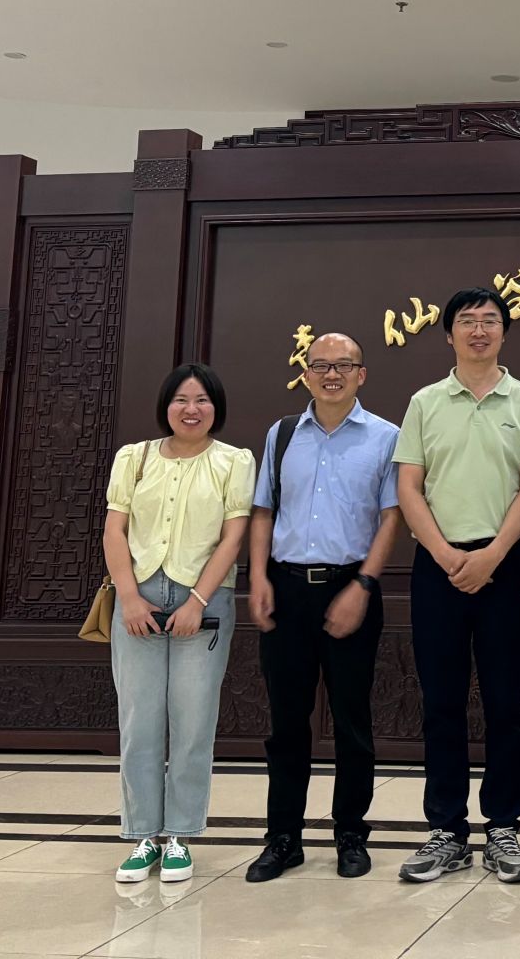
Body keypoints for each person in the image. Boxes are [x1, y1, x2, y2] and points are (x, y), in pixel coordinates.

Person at [394, 286, 520, 885]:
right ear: (449, 334)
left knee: (507, 703)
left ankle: (504, 827)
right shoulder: (425, 402)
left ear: (504, 332)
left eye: (489, 320)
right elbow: (409, 487)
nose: (479, 330)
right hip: (438, 567)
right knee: (442, 702)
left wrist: (492, 555)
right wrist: (444, 553)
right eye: (467, 321)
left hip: (506, 568)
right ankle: (446, 831)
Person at [242, 332, 403, 882]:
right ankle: (283, 838)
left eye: (343, 365)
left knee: (352, 721)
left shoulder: (385, 437)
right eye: (320, 365)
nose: (331, 374)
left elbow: (391, 518)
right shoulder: (283, 433)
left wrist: (363, 585)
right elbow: (263, 511)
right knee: (286, 723)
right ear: (306, 373)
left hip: (350, 586)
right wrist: (258, 578)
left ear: (362, 374)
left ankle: (351, 834)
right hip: (286, 590)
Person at [102, 363, 253, 884]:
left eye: (203, 400)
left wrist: (197, 601)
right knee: (139, 720)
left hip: (204, 601)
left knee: (192, 722)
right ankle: (143, 834)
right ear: (166, 406)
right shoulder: (135, 457)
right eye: (182, 400)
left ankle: (180, 836)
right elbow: (115, 530)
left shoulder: (234, 461)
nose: (192, 409)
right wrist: (128, 597)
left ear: (216, 408)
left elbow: (233, 537)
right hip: (138, 599)